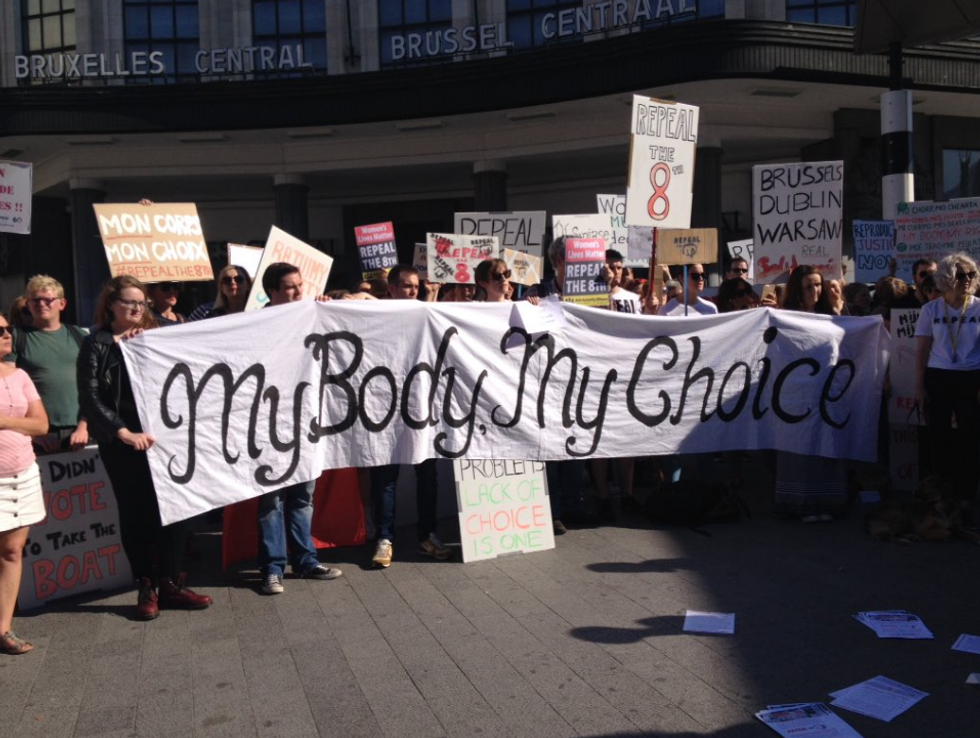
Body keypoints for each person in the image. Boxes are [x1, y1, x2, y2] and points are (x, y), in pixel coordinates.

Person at [77, 275, 212, 619]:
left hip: (166, 440)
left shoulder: (158, 334)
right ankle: (146, 585)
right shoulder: (97, 344)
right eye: (129, 302)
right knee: (136, 514)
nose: (137, 308)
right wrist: (122, 432)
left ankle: (170, 581)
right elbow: (91, 397)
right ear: (111, 304)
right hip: (123, 444)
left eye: (142, 303)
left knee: (178, 508)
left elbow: (212, 339)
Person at [255, 263, 342, 594]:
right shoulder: (253, 324)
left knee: (303, 497)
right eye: (290, 287)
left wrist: (329, 310)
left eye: (300, 285)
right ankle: (272, 568)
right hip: (265, 425)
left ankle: (305, 561)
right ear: (272, 291)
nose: (298, 292)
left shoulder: (312, 313)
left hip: (305, 421)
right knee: (271, 500)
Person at [370, 264, 452, 568]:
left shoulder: (425, 313)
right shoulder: (376, 315)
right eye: (406, 286)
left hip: (422, 406)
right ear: (390, 289)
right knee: (386, 478)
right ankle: (384, 538)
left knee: (427, 476)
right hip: (386, 408)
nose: (412, 291)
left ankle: (427, 535)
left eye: (415, 286)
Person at [773, 265, 848, 522]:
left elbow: (848, 341)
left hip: (827, 394)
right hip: (797, 396)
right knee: (800, 450)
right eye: (808, 286)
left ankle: (826, 502)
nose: (815, 290)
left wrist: (839, 307)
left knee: (826, 447)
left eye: (818, 285)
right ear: (797, 290)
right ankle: (800, 504)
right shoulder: (785, 318)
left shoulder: (830, 315)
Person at [915, 252, 980, 524]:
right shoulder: (931, 309)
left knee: (970, 438)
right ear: (945, 278)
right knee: (939, 438)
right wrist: (918, 387)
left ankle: (967, 497)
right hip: (939, 376)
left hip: (971, 377)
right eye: (960, 275)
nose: (966, 280)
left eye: (971, 275)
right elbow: (921, 351)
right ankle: (944, 496)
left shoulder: (978, 307)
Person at [0, 313, 49, 654]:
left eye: (7, 329)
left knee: (12, 551)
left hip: (24, 474)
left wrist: (4, 421)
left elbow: (41, 425)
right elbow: (29, 423)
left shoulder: (19, 375)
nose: (7, 334)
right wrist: (21, 423)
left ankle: (2, 629)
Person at [8, 275, 89, 454]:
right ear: (28, 304)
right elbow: (8, 391)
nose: (41, 304)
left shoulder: (80, 336)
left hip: (80, 434)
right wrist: (33, 433)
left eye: (48, 299)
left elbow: (93, 386)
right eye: (35, 300)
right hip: (38, 437)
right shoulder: (15, 337)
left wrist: (84, 426)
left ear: (62, 303)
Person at [188, 264, 253, 321]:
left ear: (248, 285)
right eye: (227, 280)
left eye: (239, 279)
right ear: (221, 287)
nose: (233, 283)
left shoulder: (258, 312)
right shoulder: (205, 311)